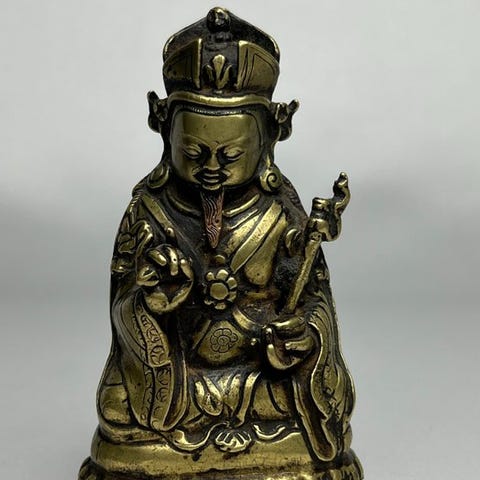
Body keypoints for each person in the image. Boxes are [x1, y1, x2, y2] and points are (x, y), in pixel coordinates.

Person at [79, 7, 362, 479]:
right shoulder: (150, 211)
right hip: (178, 383)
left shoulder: (279, 213)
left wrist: (306, 336)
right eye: (194, 151)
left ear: (267, 141)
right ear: (167, 134)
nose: (212, 168)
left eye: (230, 155)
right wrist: (150, 304)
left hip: (259, 377)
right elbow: (123, 308)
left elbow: (314, 302)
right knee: (117, 409)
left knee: (309, 406)